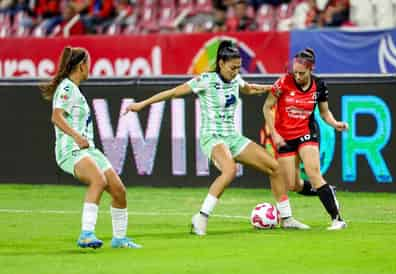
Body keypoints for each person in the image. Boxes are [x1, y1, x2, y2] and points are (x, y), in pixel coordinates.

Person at [124, 40, 309, 235]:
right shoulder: (206, 80)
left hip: (232, 137)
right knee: (229, 170)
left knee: (275, 167)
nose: (236, 72)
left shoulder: (236, 79)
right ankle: (201, 217)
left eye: (238, 68)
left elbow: (248, 88)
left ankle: (287, 218)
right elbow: (173, 92)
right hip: (212, 137)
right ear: (221, 63)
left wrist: (270, 88)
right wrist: (141, 105)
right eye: (232, 68)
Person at [40, 46, 141, 248]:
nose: (90, 68)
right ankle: (86, 233)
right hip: (71, 149)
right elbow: (56, 117)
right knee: (98, 180)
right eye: (88, 63)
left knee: (119, 191)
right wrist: (77, 136)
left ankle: (119, 239)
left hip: (89, 150)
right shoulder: (67, 88)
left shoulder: (74, 90)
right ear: (81, 65)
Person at [263, 48, 348, 230]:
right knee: (293, 185)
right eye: (295, 72)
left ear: (311, 69)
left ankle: (337, 219)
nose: (298, 76)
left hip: (306, 133)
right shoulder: (283, 82)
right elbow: (267, 107)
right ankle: (327, 191)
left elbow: (324, 113)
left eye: (302, 73)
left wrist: (335, 123)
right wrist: (274, 133)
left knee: (314, 173)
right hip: (284, 137)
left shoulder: (319, 85)